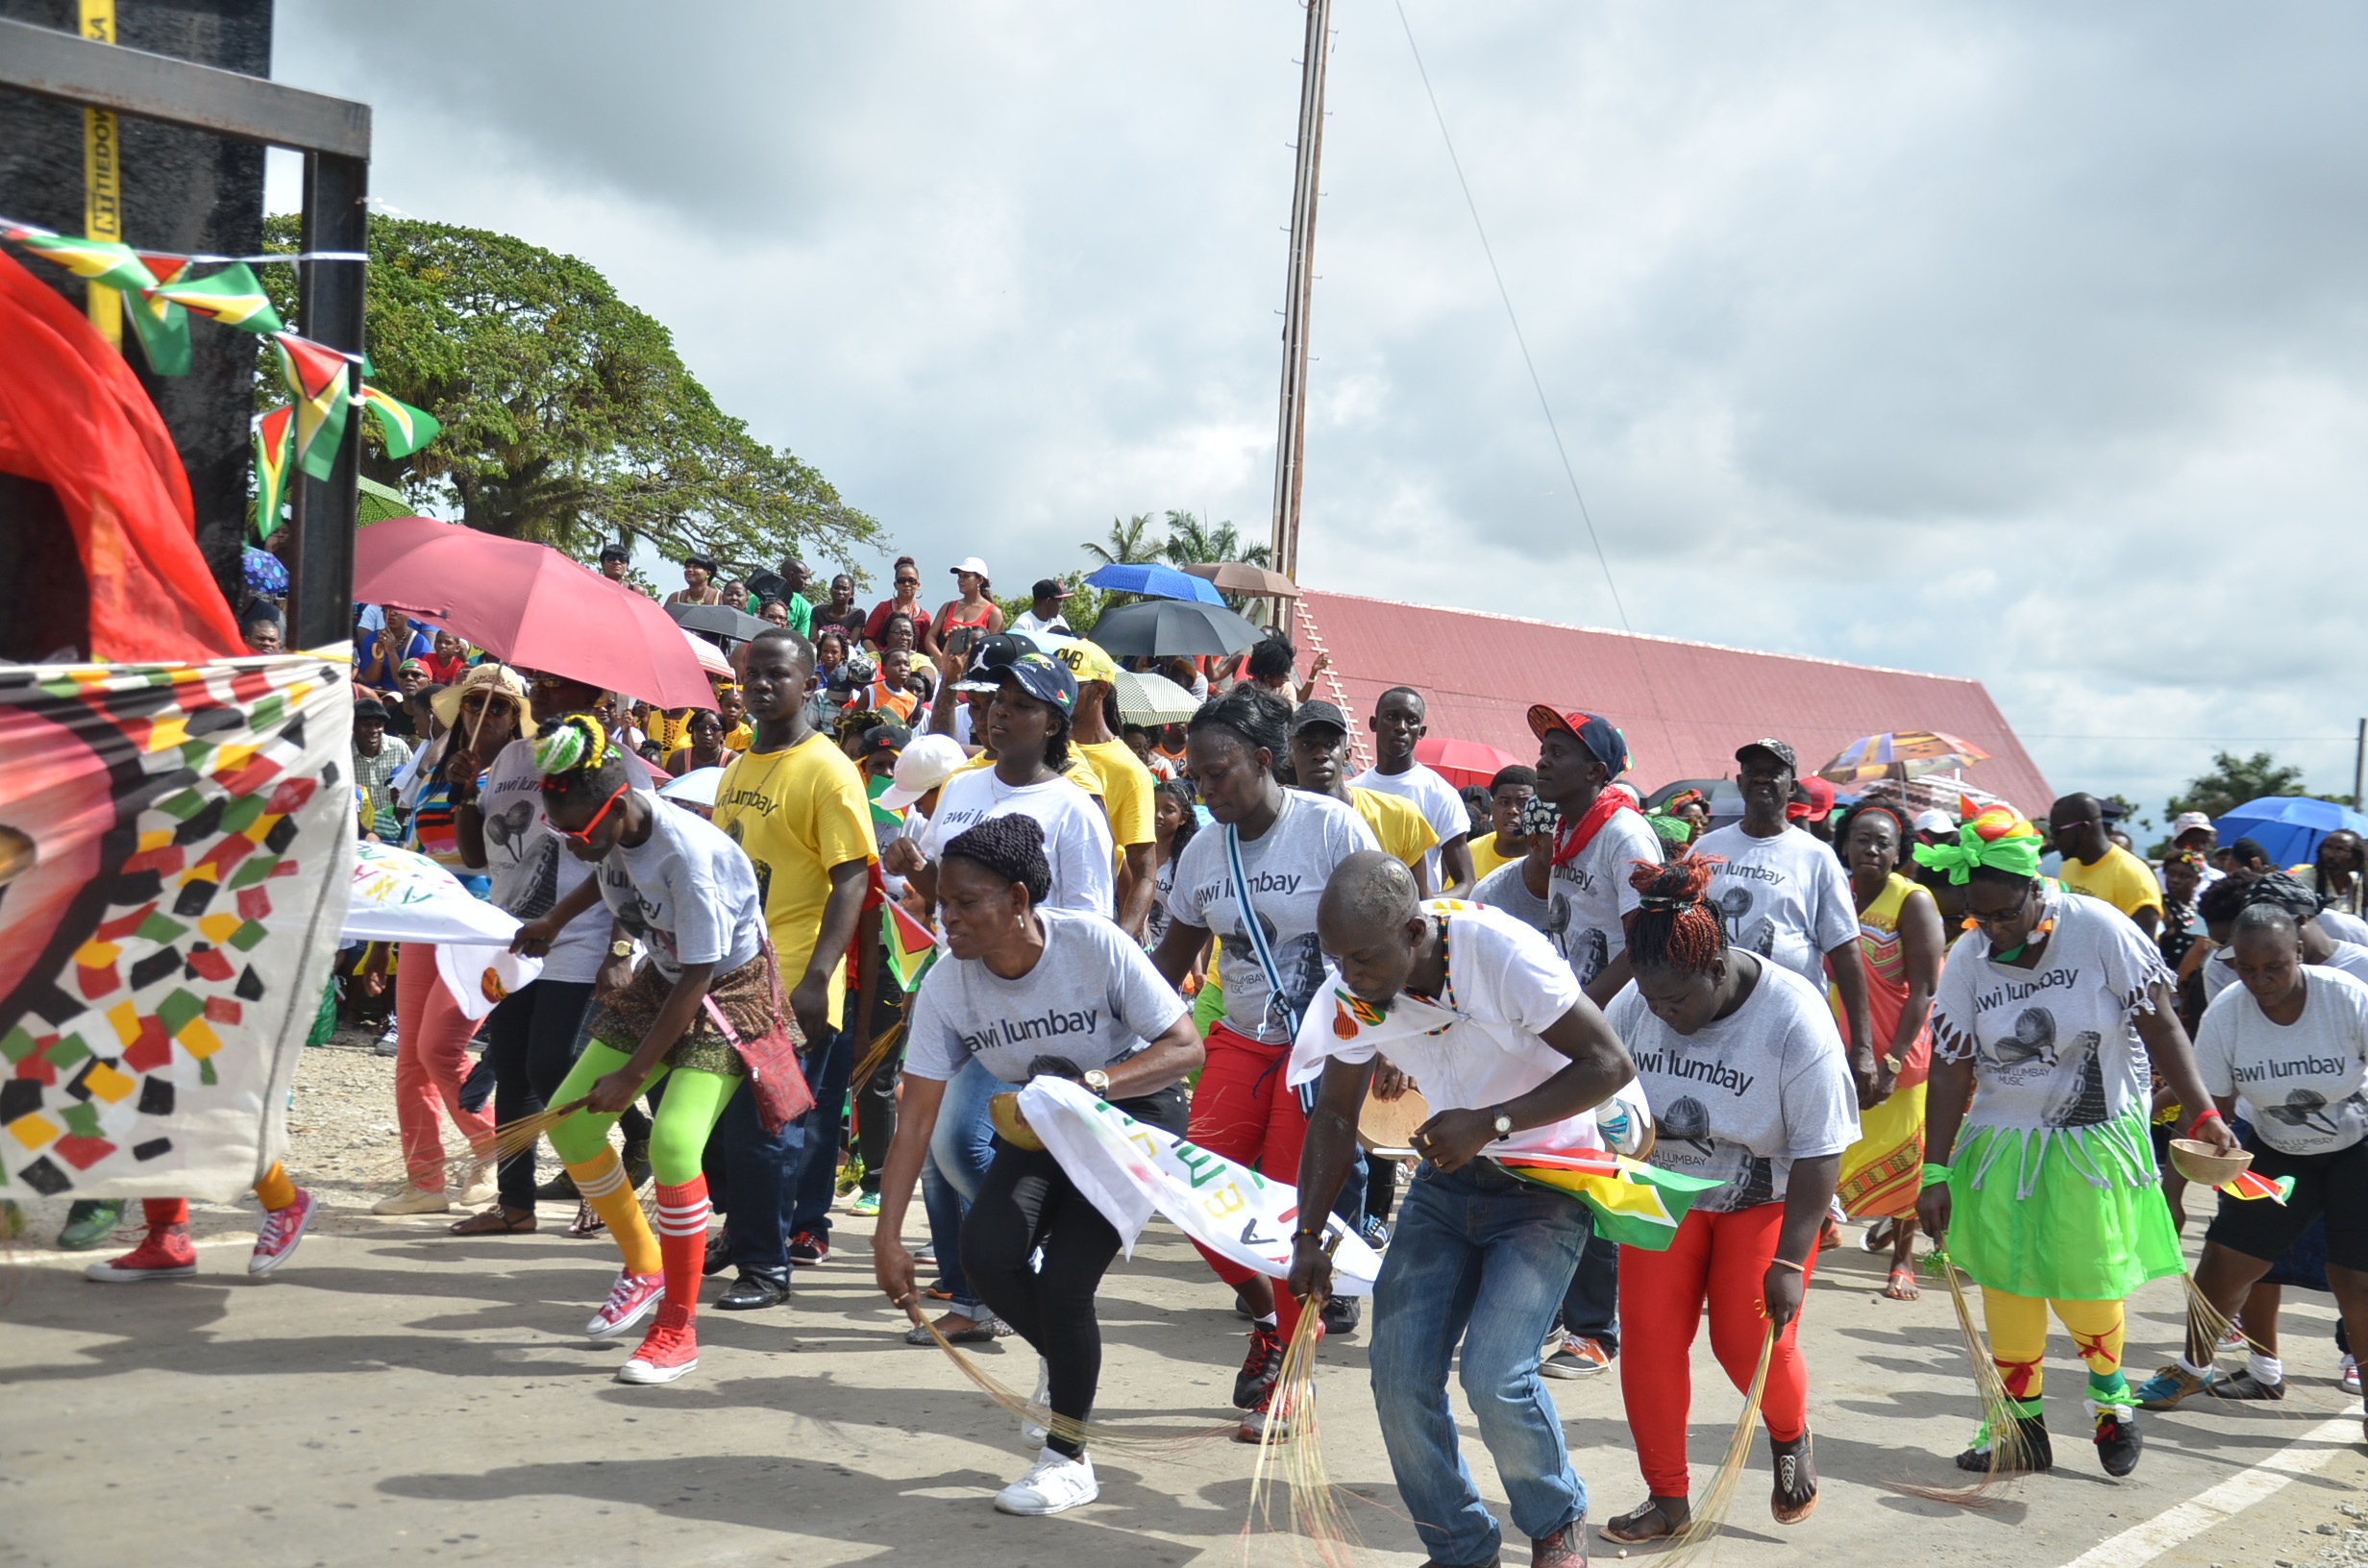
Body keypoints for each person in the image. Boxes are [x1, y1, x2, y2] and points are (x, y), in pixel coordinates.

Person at [1287, 852, 1639, 1568]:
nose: (1348, 977)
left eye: (1362, 957)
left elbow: (1609, 1062)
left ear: (1415, 931)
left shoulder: (1502, 952)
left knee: (1494, 1374)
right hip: (1449, 1184)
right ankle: (1460, 1548)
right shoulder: (1354, 992)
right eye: (1337, 960)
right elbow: (1333, 1116)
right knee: (1397, 1374)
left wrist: (1493, 1121)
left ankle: (1554, 1523)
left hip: (1548, 1180)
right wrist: (1309, 1234)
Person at [871, 816, 1205, 1515]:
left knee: (1066, 1285)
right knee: (987, 1255)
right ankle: (1066, 1358)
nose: (948, 917)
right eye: (942, 905)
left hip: (1129, 1117)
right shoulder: (946, 985)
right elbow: (919, 1117)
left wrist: (1100, 1083)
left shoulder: (1092, 944)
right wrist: (887, 1235)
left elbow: (1184, 1047)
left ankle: (1068, 1458)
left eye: (965, 903)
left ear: (1019, 899)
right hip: (1046, 1123)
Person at [1912, 806, 2237, 1477]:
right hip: (2001, 1146)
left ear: (2038, 889)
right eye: (1979, 916)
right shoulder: (1971, 955)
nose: (1993, 930)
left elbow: (2162, 1027)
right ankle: (2021, 1429)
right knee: (2007, 1282)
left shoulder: (2099, 931)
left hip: (2092, 1141)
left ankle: (2109, 1404)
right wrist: (1935, 1170)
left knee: (2087, 1279)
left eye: (2005, 914)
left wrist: (2203, 1115)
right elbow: (1950, 1067)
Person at [1595, 851, 1859, 1543]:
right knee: (1650, 1339)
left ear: (1717, 969)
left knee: (1744, 1339)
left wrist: (1789, 1262)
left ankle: (1790, 1432)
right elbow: (1601, 1077)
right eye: (1651, 1001)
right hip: (1663, 1186)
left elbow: (1820, 1148)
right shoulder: (1641, 1000)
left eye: (1676, 1002)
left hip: (1765, 1192)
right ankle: (1668, 1498)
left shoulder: (1794, 1018)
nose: (1661, 1015)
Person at [511, 712, 778, 1384]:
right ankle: (643, 1265)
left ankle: (677, 1331)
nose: (573, 843)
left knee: (672, 1146)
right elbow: (604, 874)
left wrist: (633, 1076)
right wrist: (553, 920)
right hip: (668, 974)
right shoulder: (613, 833)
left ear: (617, 803)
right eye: (560, 829)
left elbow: (700, 975)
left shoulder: (687, 858)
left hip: (724, 987)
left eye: (578, 830)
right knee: (570, 1124)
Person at [1147, 684, 1379, 1440]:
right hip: (1241, 1043)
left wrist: (1393, 1042)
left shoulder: (1332, 829)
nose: (1205, 789)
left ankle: (1293, 1375)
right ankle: (1267, 1318)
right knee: (1194, 1199)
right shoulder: (1204, 849)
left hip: (1320, 1053)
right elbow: (1171, 959)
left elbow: (1386, 936)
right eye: (1198, 776)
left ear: (1263, 758)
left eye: (1219, 773)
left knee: (1289, 1216)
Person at [2131, 905, 2368, 1422]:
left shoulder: (2346, 997)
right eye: (2247, 969)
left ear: (2299, 954)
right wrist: (2171, 1194)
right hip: (2279, 1151)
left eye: (2275, 967)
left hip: (2358, 1147)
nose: (2261, 981)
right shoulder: (2227, 1015)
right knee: (2223, 1262)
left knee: (2356, 1280)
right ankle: (2193, 1367)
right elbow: (2206, 1107)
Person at [711, 628, 877, 1308]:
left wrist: (817, 980)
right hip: (730, 978)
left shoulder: (828, 768)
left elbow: (853, 883)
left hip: (793, 983)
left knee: (768, 1130)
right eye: (753, 674)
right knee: (721, 1126)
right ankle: (744, 1231)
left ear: (811, 684)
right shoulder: (739, 764)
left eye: (778, 674)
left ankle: (766, 1266)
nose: (761, 685)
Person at [452, 669, 648, 1236]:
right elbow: (477, 857)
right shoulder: (512, 759)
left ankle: (607, 1174)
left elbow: (633, 862)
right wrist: (465, 793)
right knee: (512, 1065)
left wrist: (619, 947)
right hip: (515, 939)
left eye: (557, 684)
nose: (540, 690)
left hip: (583, 939)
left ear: (596, 695)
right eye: (538, 680)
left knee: (553, 1065)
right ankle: (516, 1205)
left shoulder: (619, 765)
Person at [373, 666, 531, 1213]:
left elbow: (498, 856)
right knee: (411, 1059)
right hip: (424, 918)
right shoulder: (435, 765)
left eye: (499, 705)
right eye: (473, 701)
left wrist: (474, 789)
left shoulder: (517, 774)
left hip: (482, 924)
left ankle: (493, 1152)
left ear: (515, 719)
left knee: (439, 1048)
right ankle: (424, 1180)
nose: (483, 712)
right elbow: (416, 846)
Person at [1691, 739, 1876, 1103]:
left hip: (1789, 1025)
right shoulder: (1706, 850)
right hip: (1715, 1022)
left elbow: (1845, 953)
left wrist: (1862, 1047)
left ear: (1792, 787)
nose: (1762, 780)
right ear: (1740, 783)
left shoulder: (1816, 857)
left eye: (1774, 773)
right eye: (1753, 772)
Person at [884, 652, 1115, 920]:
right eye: (1000, 698)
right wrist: (911, 863)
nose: (1001, 710)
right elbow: (942, 890)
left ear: (1052, 725)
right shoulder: (959, 785)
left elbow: (1090, 924)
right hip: (954, 959)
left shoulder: (1075, 810)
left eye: (1023, 705)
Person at [1828, 802, 1945, 1299]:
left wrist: (1893, 1059)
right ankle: (1823, 1226)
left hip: (1899, 1050)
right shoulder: (1837, 893)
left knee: (1904, 1158)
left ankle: (1903, 1259)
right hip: (1838, 1046)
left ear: (1900, 853)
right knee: (1829, 1146)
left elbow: (1923, 989)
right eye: (1861, 839)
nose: (1871, 849)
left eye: (1882, 842)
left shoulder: (1912, 900)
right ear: (1845, 845)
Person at [1524, 707, 1664, 1006]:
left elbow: (1645, 944)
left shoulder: (1625, 835)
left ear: (1594, 772)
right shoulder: (1566, 829)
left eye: (1557, 754)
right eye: (1543, 751)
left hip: (1611, 1014)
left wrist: (1582, 1012)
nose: (1541, 762)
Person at [1050, 637, 1161, 940]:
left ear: (1100, 690)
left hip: (1086, 922)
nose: (1057, 693)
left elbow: (1144, 874)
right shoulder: (1037, 741)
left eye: (1072, 685)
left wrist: (1123, 940)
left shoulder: (1130, 771)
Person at [1288, 699, 1438, 894]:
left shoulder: (1400, 816)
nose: (1320, 754)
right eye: (1307, 745)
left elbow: (1419, 906)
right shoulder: (1277, 825)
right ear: (1291, 756)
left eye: (1330, 744)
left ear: (1347, 755)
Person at [1351, 687, 1474, 896]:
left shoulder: (1440, 793)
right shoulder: (1352, 790)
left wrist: (1423, 904)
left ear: (1422, 732)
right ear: (1373, 723)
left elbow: (1467, 882)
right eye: (1392, 717)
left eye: (1411, 720)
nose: (1401, 727)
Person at [2050, 793, 2163, 940]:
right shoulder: (2070, 864)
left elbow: (2142, 953)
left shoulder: (2133, 876)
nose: (2052, 838)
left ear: (2083, 829)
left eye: (2056, 830)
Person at [352, 699, 412, 841]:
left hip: (392, 828)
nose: (373, 730)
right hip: (359, 831)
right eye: (366, 725)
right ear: (353, 726)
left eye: (378, 725)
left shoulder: (398, 747)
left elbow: (413, 784)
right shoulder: (343, 753)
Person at [925, 556, 1004, 660]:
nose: (960, 580)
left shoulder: (993, 613)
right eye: (959, 576)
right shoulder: (947, 607)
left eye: (966, 576)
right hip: (945, 670)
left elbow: (996, 649)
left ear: (980, 580)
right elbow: (930, 637)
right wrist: (940, 659)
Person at [1468, 766, 1538, 878]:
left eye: (1523, 804)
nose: (1512, 811)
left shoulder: (1548, 858)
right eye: (1504, 802)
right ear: (1492, 808)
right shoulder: (1471, 851)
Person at [865, 556, 932, 649]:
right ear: (895, 585)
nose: (907, 584)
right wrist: (880, 658)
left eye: (912, 580)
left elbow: (923, 649)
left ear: (918, 585)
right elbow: (867, 638)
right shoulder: (883, 607)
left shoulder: (925, 617)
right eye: (902, 581)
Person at [358, 607, 431, 691]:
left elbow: (405, 681)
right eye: (386, 610)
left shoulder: (420, 643)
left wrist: (391, 652)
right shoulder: (371, 639)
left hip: (403, 696)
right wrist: (379, 652)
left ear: (409, 615)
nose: (391, 614)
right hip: (374, 693)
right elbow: (369, 679)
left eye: (398, 611)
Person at [2300, 828, 2368, 918]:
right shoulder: (2305, 881)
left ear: (2354, 860)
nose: (2330, 855)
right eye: (2327, 847)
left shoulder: (2358, 885)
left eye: (2340, 850)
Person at [661, 709, 728, 779]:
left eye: (714, 728)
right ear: (692, 732)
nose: (707, 732)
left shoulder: (732, 761)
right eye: (701, 727)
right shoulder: (677, 759)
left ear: (722, 735)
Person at [1010, 577, 1074, 637]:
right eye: (1059, 601)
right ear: (1048, 601)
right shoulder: (1023, 625)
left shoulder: (1059, 620)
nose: (1061, 605)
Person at [811, 573, 868, 641]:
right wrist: (822, 636)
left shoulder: (858, 614)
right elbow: (812, 640)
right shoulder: (818, 611)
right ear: (831, 590)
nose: (840, 592)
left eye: (845, 589)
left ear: (852, 594)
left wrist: (834, 638)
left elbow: (852, 643)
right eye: (836, 588)